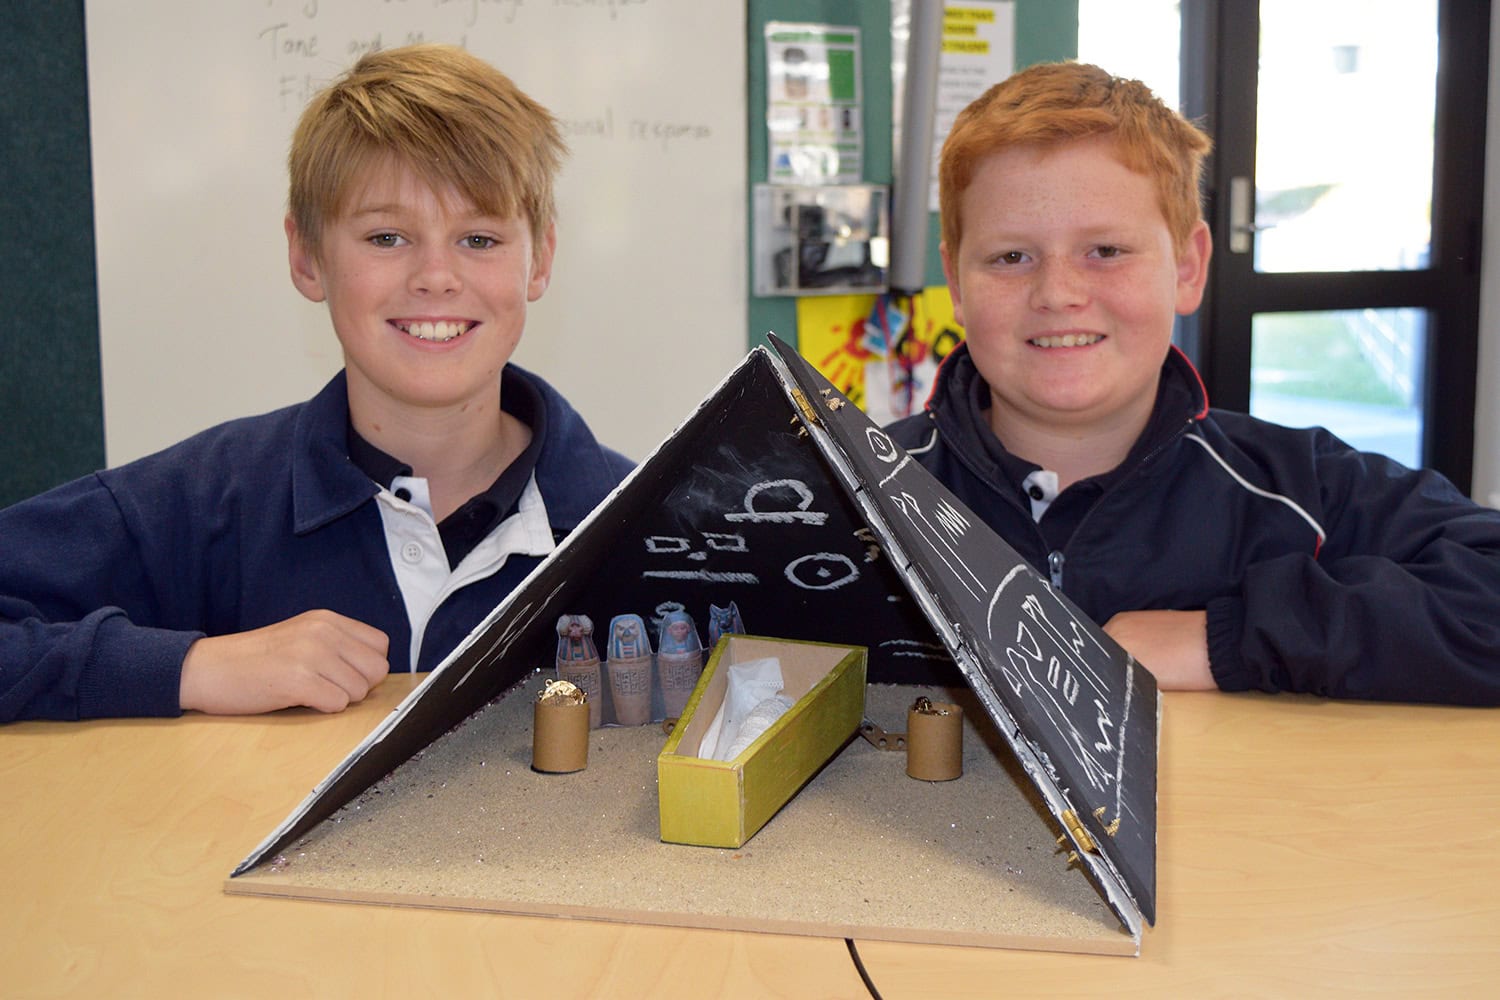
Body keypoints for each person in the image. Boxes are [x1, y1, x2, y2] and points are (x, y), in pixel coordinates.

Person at [0, 44, 633, 723]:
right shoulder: (207, 503)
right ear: (306, 257)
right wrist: (192, 667)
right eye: (387, 237)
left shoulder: (648, 522)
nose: (436, 277)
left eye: (478, 239)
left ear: (540, 260)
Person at [885, 61, 1500, 705]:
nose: (1058, 293)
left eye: (1105, 251)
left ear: (1187, 267)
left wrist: (1230, 639)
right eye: (1012, 257)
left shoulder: (1299, 492)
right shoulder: (857, 495)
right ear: (957, 284)